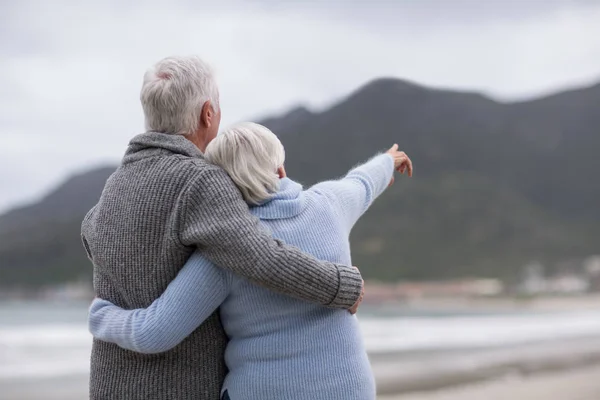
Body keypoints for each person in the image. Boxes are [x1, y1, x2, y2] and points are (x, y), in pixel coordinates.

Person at [81, 57, 366, 400]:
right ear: (207, 114)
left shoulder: (116, 183)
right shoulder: (201, 181)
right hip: (178, 388)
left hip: (109, 386)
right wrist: (341, 286)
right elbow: (261, 257)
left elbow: (90, 230)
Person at [89, 122, 413, 400]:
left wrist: (102, 317)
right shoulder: (329, 204)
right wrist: (387, 162)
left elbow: (154, 332)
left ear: (223, 185)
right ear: (280, 168)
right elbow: (361, 183)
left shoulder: (225, 252)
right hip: (350, 389)